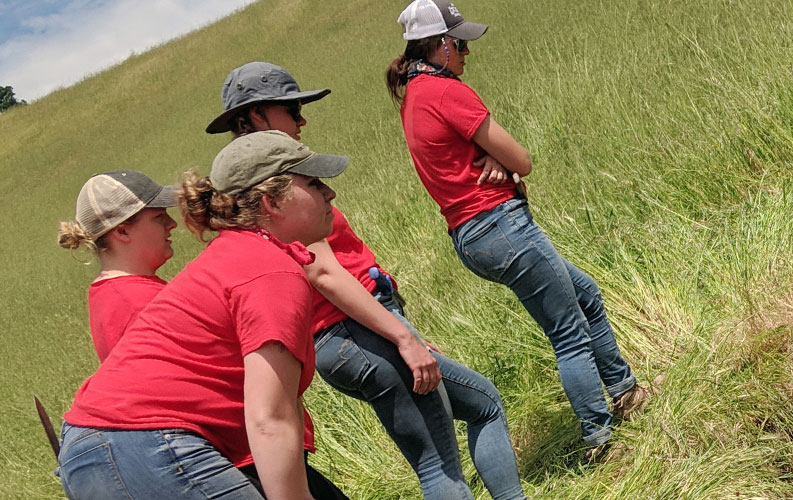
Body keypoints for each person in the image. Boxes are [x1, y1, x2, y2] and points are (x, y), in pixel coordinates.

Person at [210, 61, 523, 500]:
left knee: (476, 410)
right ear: (257, 115)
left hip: (340, 341)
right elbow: (322, 271)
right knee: (441, 462)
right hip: (354, 329)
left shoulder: (249, 187)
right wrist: (403, 337)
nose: (302, 119)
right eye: (292, 109)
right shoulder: (279, 184)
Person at [386, 0, 650, 452]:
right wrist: (504, 162)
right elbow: (523, 160)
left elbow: (476, 158)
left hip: (471, 236)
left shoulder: (415, 96)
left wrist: (493, 158)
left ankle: (625, 390)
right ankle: (599, 435)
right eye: (462, 44)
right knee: (567, 330)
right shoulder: (448, 92)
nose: (468, 53)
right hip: (501, 224)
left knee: (583, 293)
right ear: (441, 45)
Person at [55, 131, 345, 500]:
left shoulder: (234, 256)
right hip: (147, 446)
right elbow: (269, 420)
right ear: (271, 202)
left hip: (102, 445)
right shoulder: (267, 270)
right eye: (314, 183)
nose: (329, 193)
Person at [56, 170, 177, 361]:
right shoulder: (142, 305)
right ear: (122, 231)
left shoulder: (106, 292)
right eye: (159, 217)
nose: (172, 223)